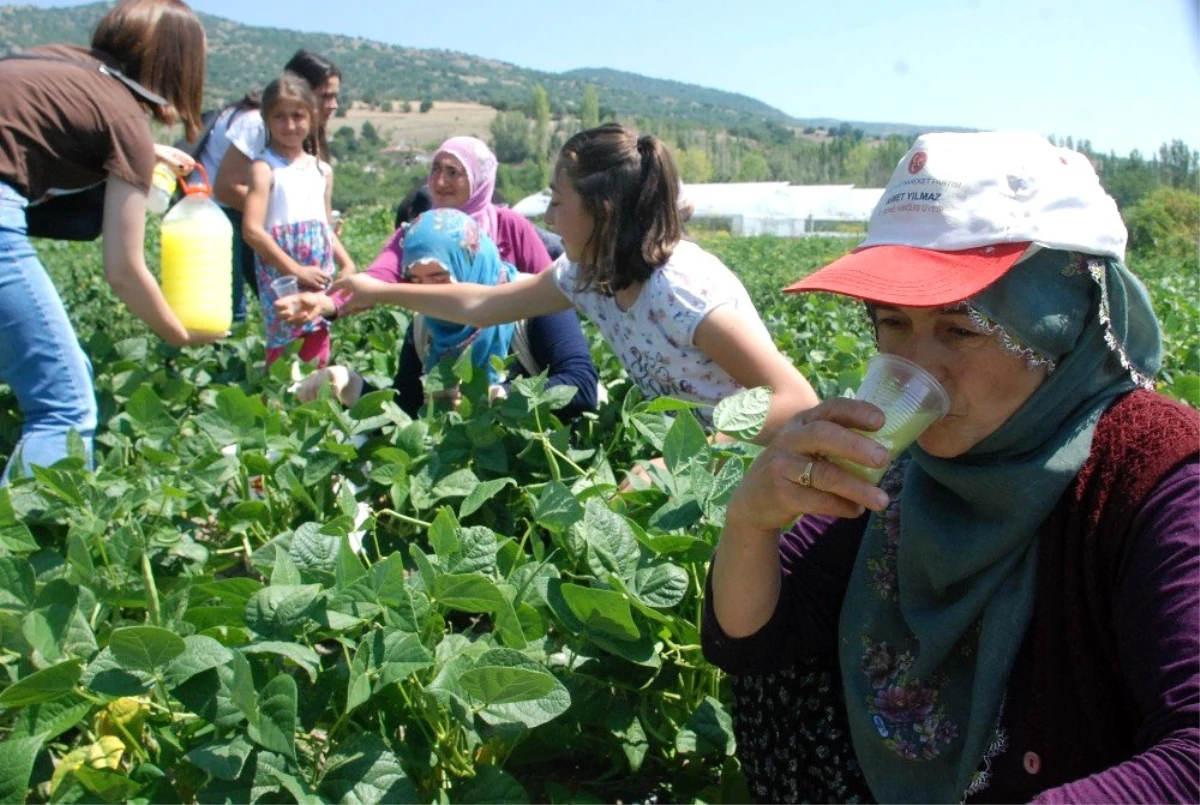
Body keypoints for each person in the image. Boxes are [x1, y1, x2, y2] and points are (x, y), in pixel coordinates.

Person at [702, 131, 1200, 804]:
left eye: (960, 329)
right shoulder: (906, 466)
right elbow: (756, 640)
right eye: (892, 323)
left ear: (1059, 326)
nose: (917, 368)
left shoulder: (1157, 477)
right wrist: (751, 522)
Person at [288, 123, 819, 444]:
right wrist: (384, 291)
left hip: (759, 454)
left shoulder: (682, 294)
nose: (550, 214)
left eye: (557, 200)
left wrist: (691, 457)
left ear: (602, 214)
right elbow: (481, 303)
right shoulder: (587, 276)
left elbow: (796, 401)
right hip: (694, 459)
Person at [0, 0, 220, 481]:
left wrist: (141, 152)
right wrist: (178, 333)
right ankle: (26, 554)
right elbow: (123, 269)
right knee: (64, 410)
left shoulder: (55, 62)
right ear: (178, 66)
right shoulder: (123, 119)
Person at [297, 209, 598, 421]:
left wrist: (492, 397)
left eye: (439, 276)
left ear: (469, 261)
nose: (427, 291)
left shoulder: (528, 303)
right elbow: (406, 409)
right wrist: (347, 383)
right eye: (414, 280)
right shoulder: (423, 326)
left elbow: (581, 387)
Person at [214, 49, 352, 294]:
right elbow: (226, 187)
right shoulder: (258, 126)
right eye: (326, 96)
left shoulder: (316, 164)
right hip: (224, 215)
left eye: (335, 96)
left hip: (286, 240)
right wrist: (286, 214)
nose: (333, 105)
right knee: (231, 306)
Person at [242, 73, 349, 368]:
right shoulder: (265, 168)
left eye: (297, 116)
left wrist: (348, 264)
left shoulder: (322, 170)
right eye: (280, 117)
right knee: (284, 352)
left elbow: (325, 228)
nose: (289, 125)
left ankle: (312, 408)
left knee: (317, 345)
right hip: (283, 276)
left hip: (317, 274)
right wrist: (296, 270)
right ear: (266, 119)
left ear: (312, 117)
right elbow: (252, 230)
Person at [190, 88, 261, 323]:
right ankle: (228, 353)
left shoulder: (233, 113)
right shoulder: (254, 122)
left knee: (252, 288)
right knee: (231, 304)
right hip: (214, 209)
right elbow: (228, 187)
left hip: (210, 206)